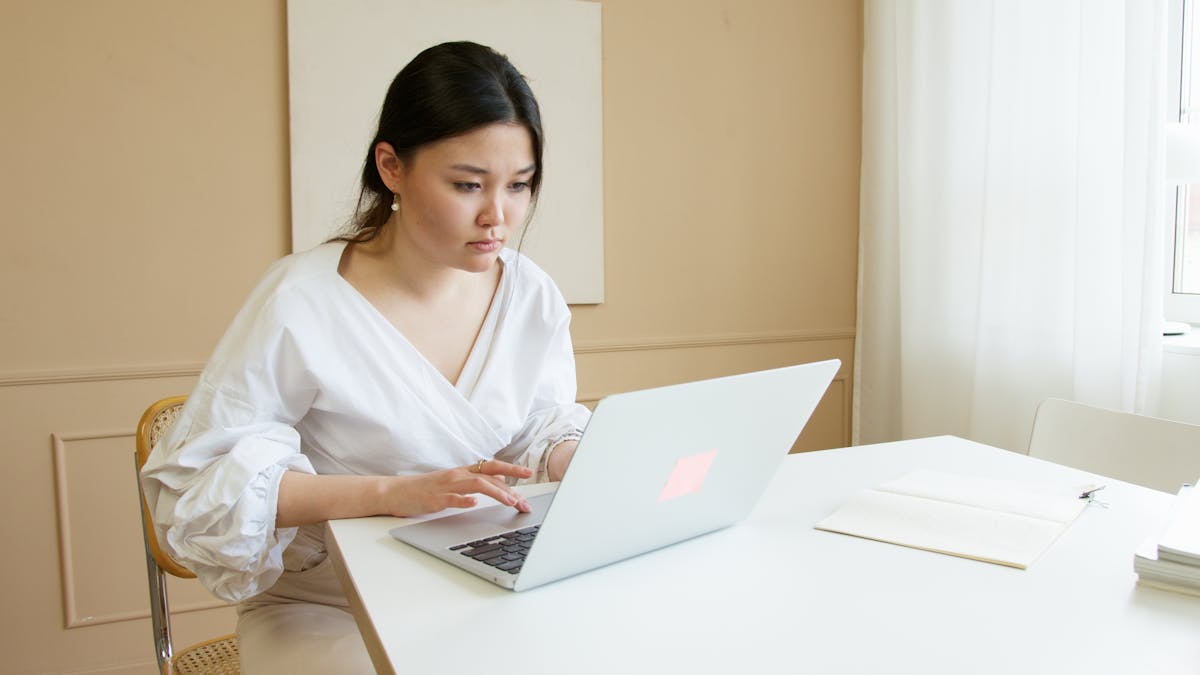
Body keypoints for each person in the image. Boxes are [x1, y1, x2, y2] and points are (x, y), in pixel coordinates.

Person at [140, 41, 590, 674]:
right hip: (328, 608)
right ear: (391, 166)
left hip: (475, 580)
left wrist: (577, 459)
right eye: (467, 185)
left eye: (519, 186)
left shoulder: (529, 293)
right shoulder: (302, 300)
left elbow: (535, 426)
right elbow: (204, 487)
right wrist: (392, 494)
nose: (499, 216)